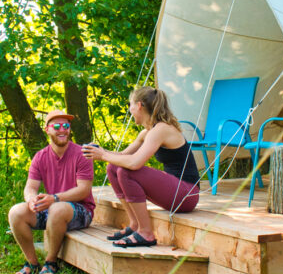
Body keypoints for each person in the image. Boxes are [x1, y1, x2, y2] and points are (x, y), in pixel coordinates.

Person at [82, 86, 199, 247]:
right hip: (176, 190)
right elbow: (123, 156)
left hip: (187, 194)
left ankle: (146, 233)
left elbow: (135, 163)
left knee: (127, 171)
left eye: (130, 105)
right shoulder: (147, 132)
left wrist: (103, 155)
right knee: (113, 168)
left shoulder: (162, 129)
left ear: (139, 105)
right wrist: (100, 151)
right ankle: (135, 224)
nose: (129, 110)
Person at [8, 109, 95, 274]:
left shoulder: (82, 154)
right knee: (16, 212)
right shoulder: (40, 157)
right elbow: (30, 187)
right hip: (53, 207)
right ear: (47, 129)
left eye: (66, 125)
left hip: (80, 210)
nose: (62, 129)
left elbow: (84, 190)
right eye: (57, 126)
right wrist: (32, 200)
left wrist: (54, 198)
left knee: (57, 208)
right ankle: (32, 264)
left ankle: (51, 262)